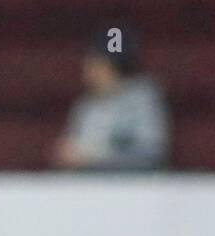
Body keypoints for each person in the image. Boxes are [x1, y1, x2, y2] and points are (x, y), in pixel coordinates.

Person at [53, 27, 169, 171]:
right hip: (88, 187)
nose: (91, 69)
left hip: (132, 187)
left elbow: (151, 153)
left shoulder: (143, 98)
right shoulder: (86, 105)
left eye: (100, 63)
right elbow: (70, 151)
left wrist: (93, 158)